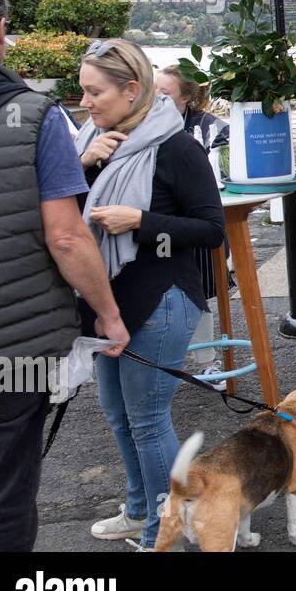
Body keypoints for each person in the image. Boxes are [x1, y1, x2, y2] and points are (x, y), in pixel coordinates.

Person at [0, 0, 127, 552]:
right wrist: (107, 314)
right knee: (2, 491)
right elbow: (65, 237)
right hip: (8, 343)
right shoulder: (33, 114)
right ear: (2, 29)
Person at [76, 39, 224, 549]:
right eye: (82, 92)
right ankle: (141, 510)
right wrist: (81, 167)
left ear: (131, 89)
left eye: (95, 92)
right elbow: (68, 225)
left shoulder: (175, 146)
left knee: (147, 420)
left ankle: (169, 530)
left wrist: (140, 222)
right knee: (118, 416)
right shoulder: (93, 146)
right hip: (106, 303)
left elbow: (210, 229)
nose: (86, 103)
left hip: (161, 300)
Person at [156, 66, 229, 380]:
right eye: (153, 93)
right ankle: (159, 360)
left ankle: (206, 360)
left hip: (198, 219)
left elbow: (223, 170)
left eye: (165, 94)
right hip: (159, 220)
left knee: (196, 288)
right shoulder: (142, 127)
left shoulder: (210, 128)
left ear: (187, 98)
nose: (157, 101)